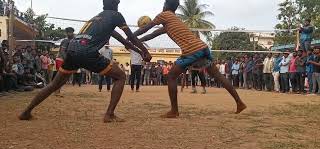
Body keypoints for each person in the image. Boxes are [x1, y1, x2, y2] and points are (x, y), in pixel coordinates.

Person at [19, 0, 151, 122]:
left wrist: (140, 52)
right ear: (117, 2)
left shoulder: (97, 18)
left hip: (72, 49)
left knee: (54, 84)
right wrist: (145, 51)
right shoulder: (116, 15)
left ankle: (26, 111)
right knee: (121, 76)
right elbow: (131, 37)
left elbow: (123, 40)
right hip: (86, 52)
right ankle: (109, 114)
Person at [135, 0, 246, 118]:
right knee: (218, 76)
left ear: (165, 6)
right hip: (202, 48)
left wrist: (130, 36)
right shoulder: (173, 20)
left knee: (171, 76)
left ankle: (174, 111)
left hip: (192, 51)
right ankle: (239, 103)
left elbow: (146, 28)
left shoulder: (164, 15)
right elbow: (150, 35)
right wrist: (137, 40)